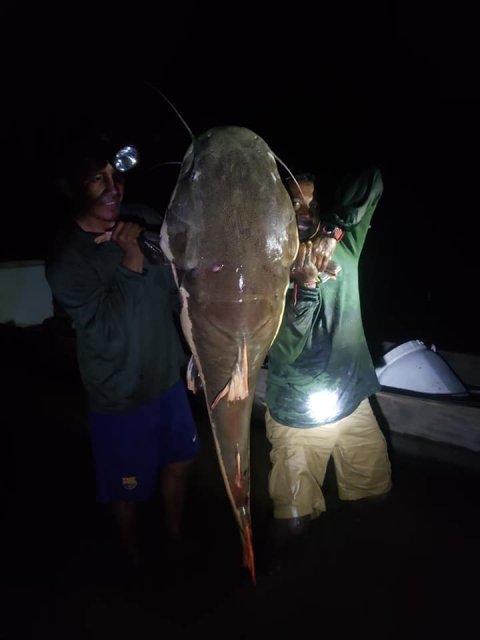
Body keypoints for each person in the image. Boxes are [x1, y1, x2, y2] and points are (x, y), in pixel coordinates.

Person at [45, 133, 200, 571]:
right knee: (127, 488)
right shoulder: (66, 262)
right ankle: (132, 559)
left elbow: (177, 289)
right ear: (74, 189)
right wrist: (131, 256)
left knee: (181, 462)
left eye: (116, 176)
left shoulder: (144, 219)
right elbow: (109, 330)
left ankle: (173, 537)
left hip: (168, 381)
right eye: (98, 179)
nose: (114, 187)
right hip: (119, 397)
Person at [264, 167, 392, 551]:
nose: (304, 212)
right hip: (297, 411)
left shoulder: (345, 240)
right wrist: (304, 289)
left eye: (312, 203)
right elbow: (282, 348)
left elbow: (372, 179)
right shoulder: (267, 265)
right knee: (293, 523)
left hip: (352, 398)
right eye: (293, 203)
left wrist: (334, 230)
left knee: (374, 496)